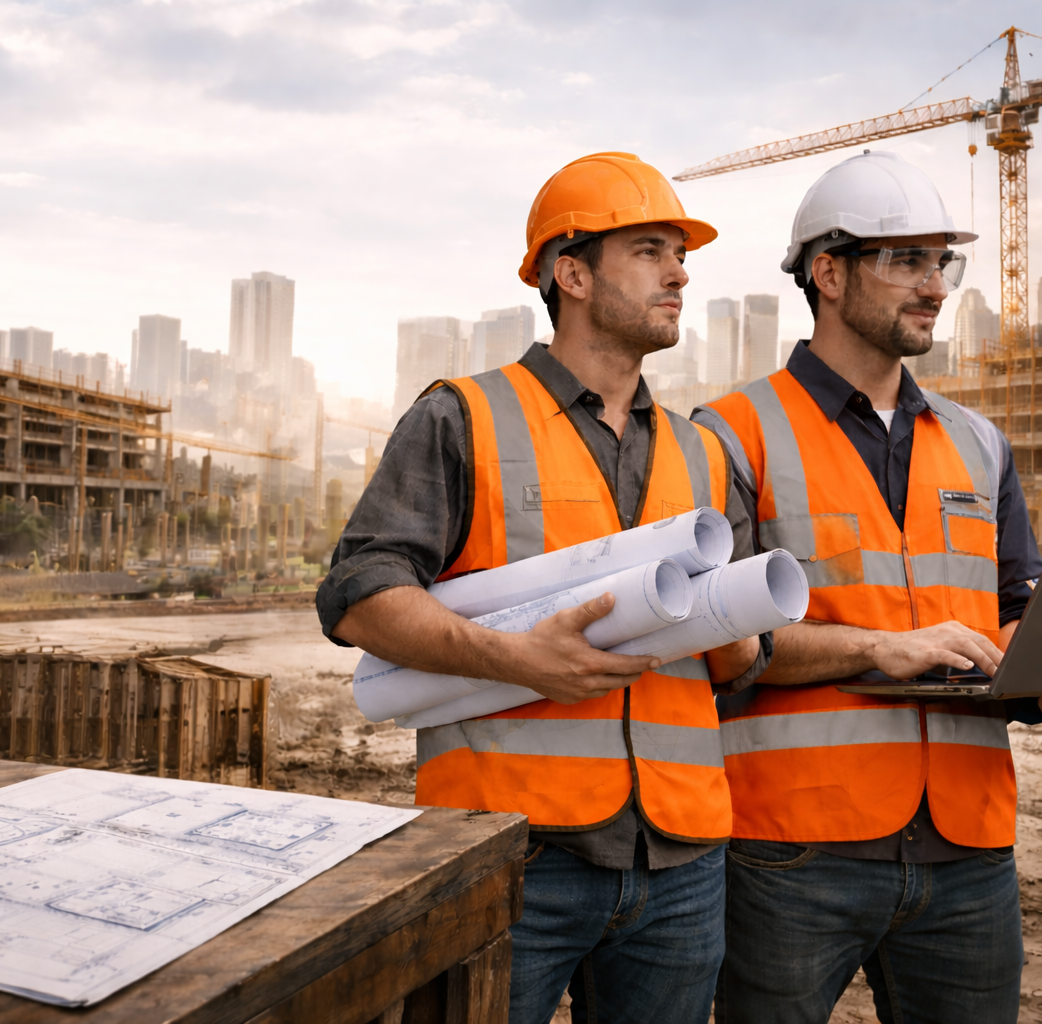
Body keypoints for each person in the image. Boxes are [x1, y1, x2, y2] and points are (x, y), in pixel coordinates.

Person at [319, 152, 768, 1024]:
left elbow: (740, 663)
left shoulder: (705, 452)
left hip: (681, 861)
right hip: (508, 850)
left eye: (681, 255)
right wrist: (517, 659)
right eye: (648, 250)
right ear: (571, 273)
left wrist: (738, 630)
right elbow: (360, 594)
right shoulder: (464, 415)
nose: (679, 273)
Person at [693, 150, 1042, 1024]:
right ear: (828, 271)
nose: (935, 286)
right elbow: (713, 648)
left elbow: (1015, 613)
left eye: (942, 263)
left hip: (968, 850)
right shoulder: (731, 434)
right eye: (906, 261)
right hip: (792, 849)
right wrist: (877, 648)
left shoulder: (979, 444)